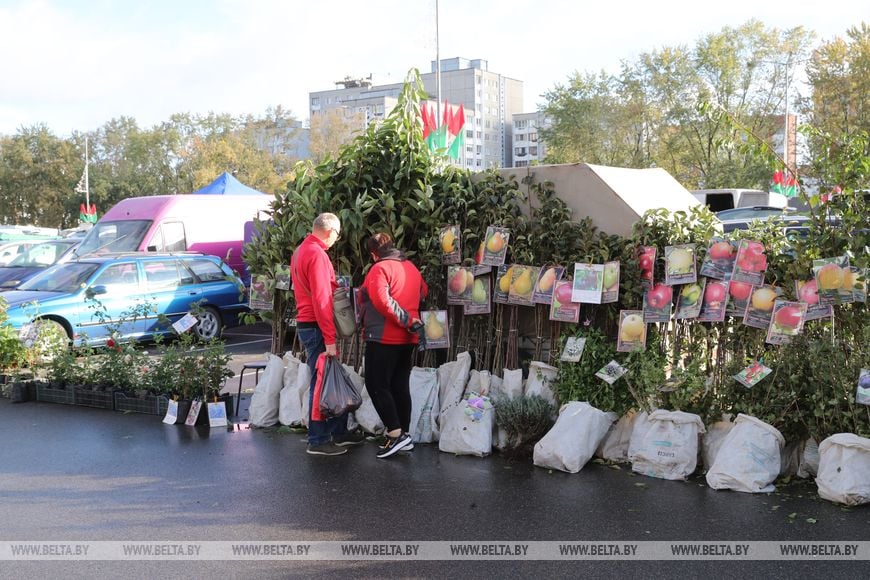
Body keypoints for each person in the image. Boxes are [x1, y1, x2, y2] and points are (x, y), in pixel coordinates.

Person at [290, 212, 365, 456]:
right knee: (322, 383)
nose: (336, 240)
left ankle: (338, 431)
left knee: (327, 379)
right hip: (316, 325)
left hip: (307, 323)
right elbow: (322, 300)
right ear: (330, 231)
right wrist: (330, 339)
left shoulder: (300, 251)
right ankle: (319, 439)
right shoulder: (317, 255)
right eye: (337, 235)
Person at [359, 233, 429, 458]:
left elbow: (382, 300)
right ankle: (404, 435)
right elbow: (423, 291)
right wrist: (410, 317)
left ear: (373, 254)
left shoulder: (379, 269)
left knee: (376, 384)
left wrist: (405, 319)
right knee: (399, 385)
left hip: (383, 336)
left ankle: (395, 433)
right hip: (408, 338)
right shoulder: (411, 267)